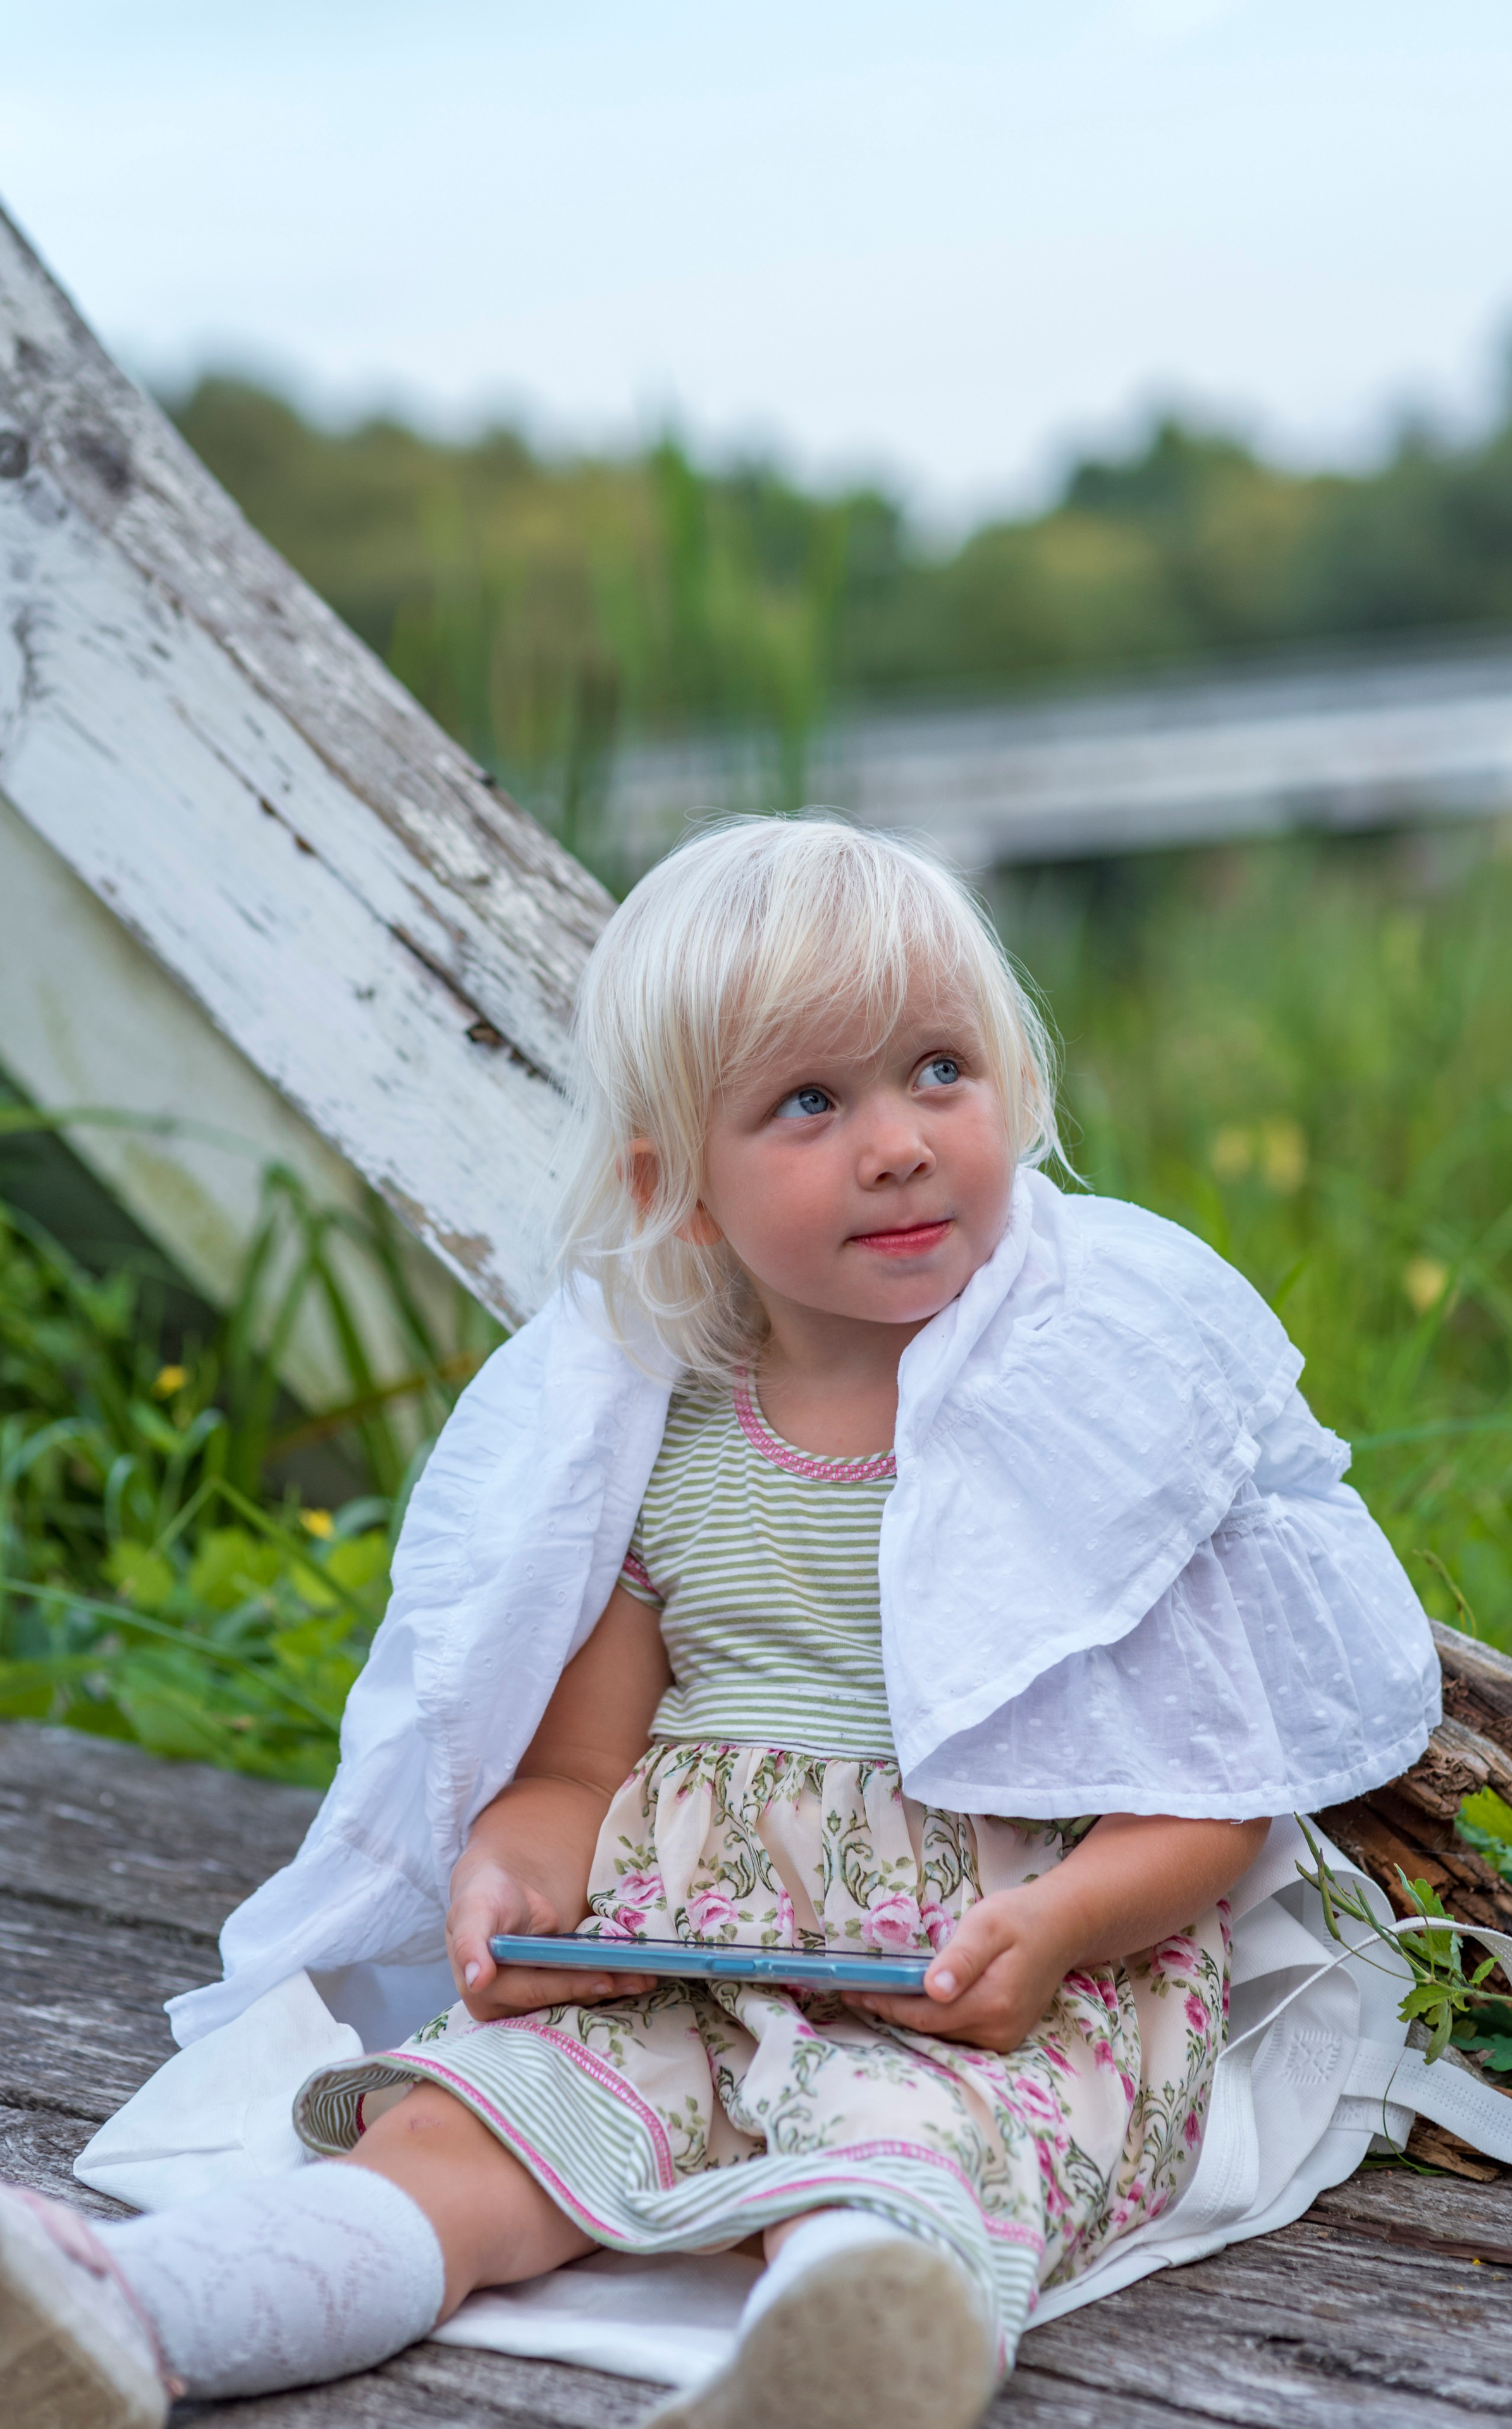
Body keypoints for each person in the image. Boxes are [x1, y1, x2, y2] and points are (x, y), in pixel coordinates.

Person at [1, 817, 1439, 2429]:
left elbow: (1209, 1789)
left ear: (1015, 1092)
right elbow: (573, 1770)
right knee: (458, 2135)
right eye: (808, 1103)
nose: (894, 1142)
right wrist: (512, 1878)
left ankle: (846, 2341)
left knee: (899, 2158)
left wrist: (1056, 1927)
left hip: (990, 1982)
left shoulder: (1085, 1413)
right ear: (672, 1189)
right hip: (680, 1963)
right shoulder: (655, 1438)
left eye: (938, 1072)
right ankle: (142, 2311)